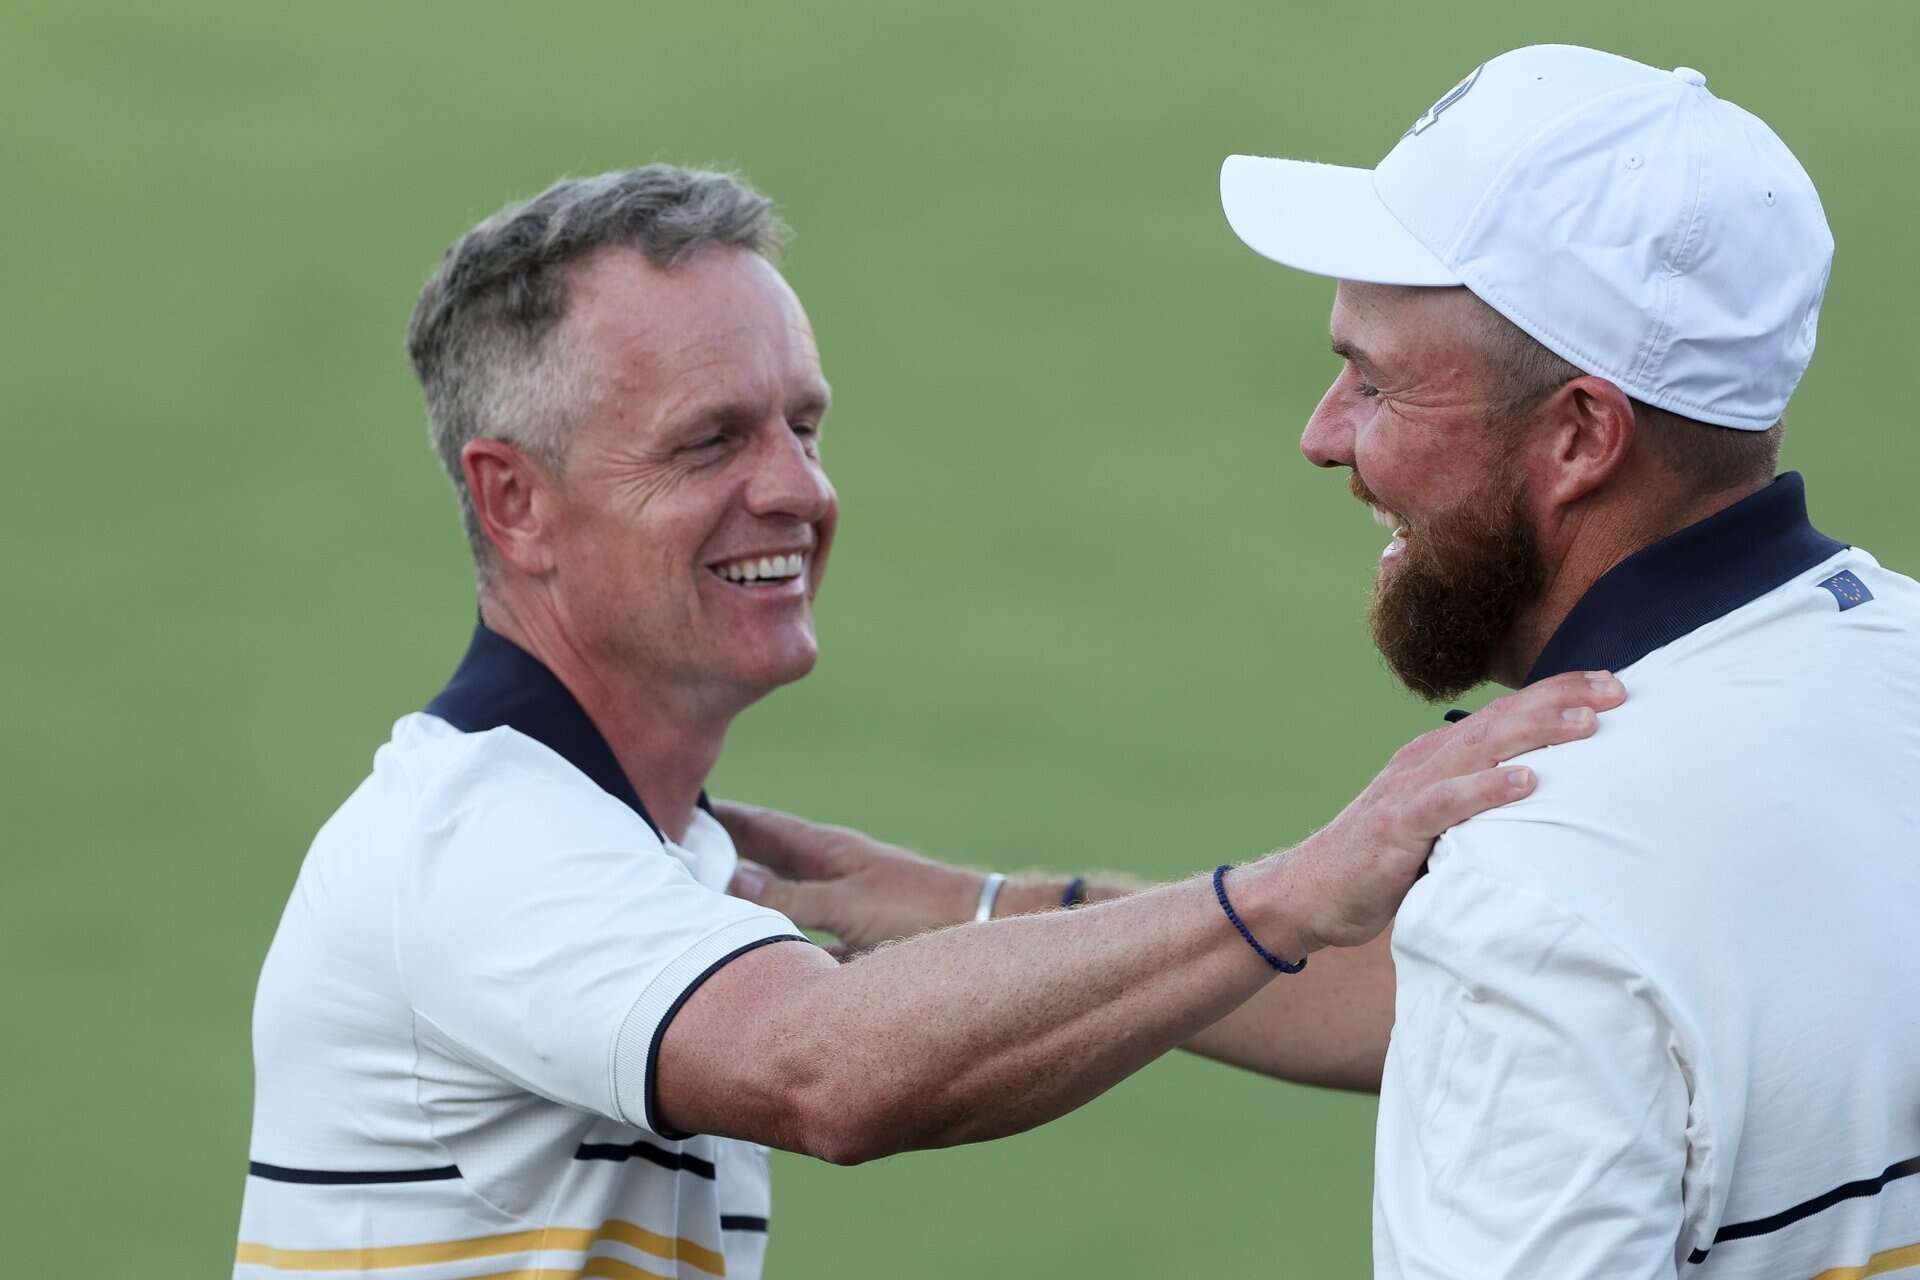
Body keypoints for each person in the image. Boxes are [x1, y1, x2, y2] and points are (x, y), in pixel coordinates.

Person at [233, 165, 1620, 1279]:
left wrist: (976, 905)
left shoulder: (661, 856)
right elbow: (825, 1070)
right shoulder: (480, 841)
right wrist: (1295, 888)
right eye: (710, 441)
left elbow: (1437, 1014)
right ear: (514, 502)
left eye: (804, 426)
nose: (797, 490)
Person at [730, 45, 1920, 1279]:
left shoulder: (1545, 885)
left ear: (1580, 435)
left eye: (1376, 382)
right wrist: (991, 911)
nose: (1321, 434)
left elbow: (1556, 971)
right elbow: (1612, 1011)